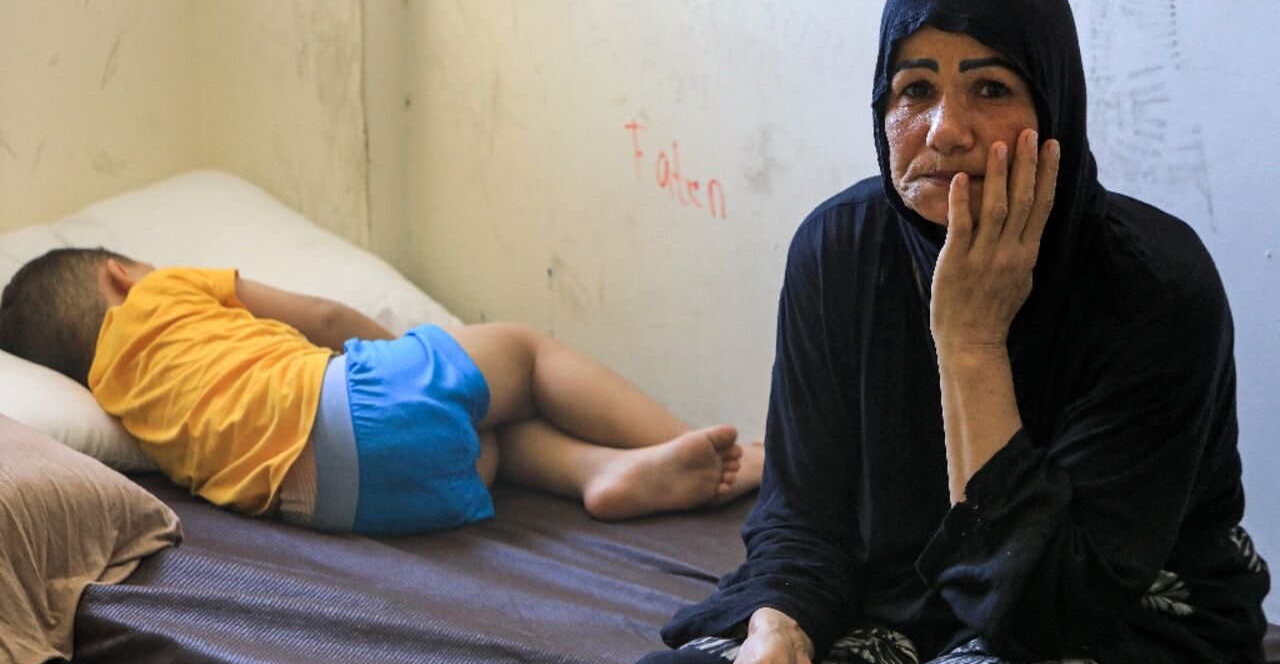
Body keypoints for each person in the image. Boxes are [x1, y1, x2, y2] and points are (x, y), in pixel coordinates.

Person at [614, 0, 1270, 664]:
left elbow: (1045, 608)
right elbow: (804, 515)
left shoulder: (1154, 287)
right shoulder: (838, 251)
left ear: (1053, 108)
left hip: (1122, 612)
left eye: (990, 89)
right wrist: (782, 625)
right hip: (896, 603)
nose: (944, 130)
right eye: (915, 91)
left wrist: (970, 341)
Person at [0, 250, 764, 535]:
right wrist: (411, 358)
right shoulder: (160, 291)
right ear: (118, 275)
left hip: (343, 506)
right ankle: (694, 449)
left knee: (485, 427)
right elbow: (326, 318)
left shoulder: (115, 398)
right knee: (524, 355)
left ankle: (596, 474)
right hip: (352, 402)